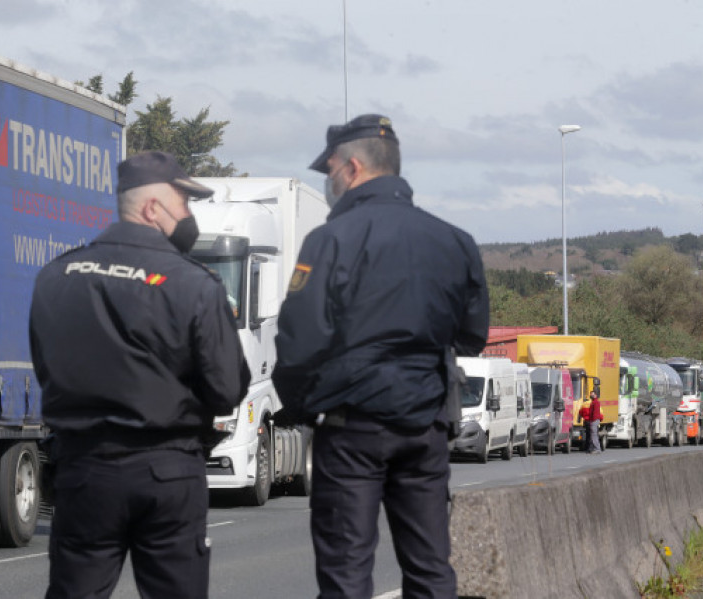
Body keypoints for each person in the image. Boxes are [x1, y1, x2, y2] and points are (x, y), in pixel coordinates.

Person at [272, 114, 489, 598]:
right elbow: (474, 335)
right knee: (431, 568)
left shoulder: (330, 240)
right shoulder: (455, 242)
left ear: (351, 167)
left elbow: (299, 340)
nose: (328, 183)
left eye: (328, 170)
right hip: (426, 426)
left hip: (353, 428)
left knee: (347, 571)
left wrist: (302, 407)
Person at [29, 151, 251, 599]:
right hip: (167, 469)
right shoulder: (194, 283)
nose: (189, 216)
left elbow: (45, 365)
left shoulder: (57, 275)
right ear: (153, 209)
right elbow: (227, 388)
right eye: (184, 203)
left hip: (83, 467)